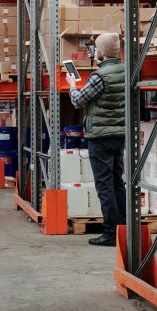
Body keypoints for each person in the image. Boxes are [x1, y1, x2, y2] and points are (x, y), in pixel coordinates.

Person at [66, 33, 126, 247]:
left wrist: (72, 84)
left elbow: (78, 101)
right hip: (119, 136)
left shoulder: (100, 76)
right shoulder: (125, 71)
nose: (94, 52)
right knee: (117, 182)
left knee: (104, 185)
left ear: (102, 51)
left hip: (100, 137)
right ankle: (123, 227)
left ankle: (110, 232)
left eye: (96, 48)